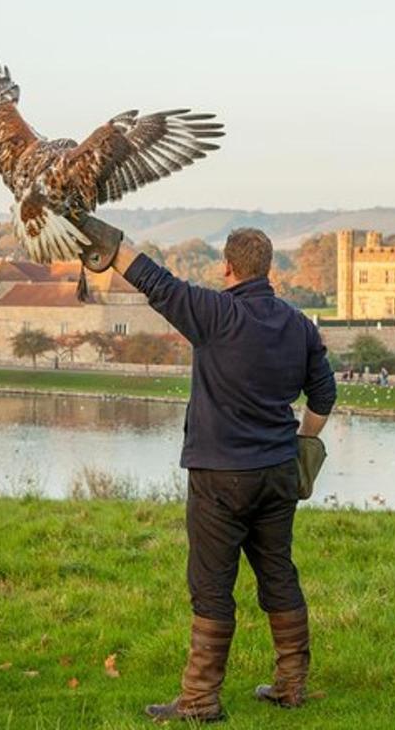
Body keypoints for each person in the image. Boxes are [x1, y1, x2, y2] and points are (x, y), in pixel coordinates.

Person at [78, 216, 336, 722]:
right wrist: (302, 441)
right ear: (269, 270)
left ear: (227, 268)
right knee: (278, 573)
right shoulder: (298, 325)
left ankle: (199, 700)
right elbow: (324, 395)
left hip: (219, 477)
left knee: (212, 584)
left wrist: (113, 245)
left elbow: (156, 282)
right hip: (279, 471)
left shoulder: (215, 314)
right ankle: (290, 686)